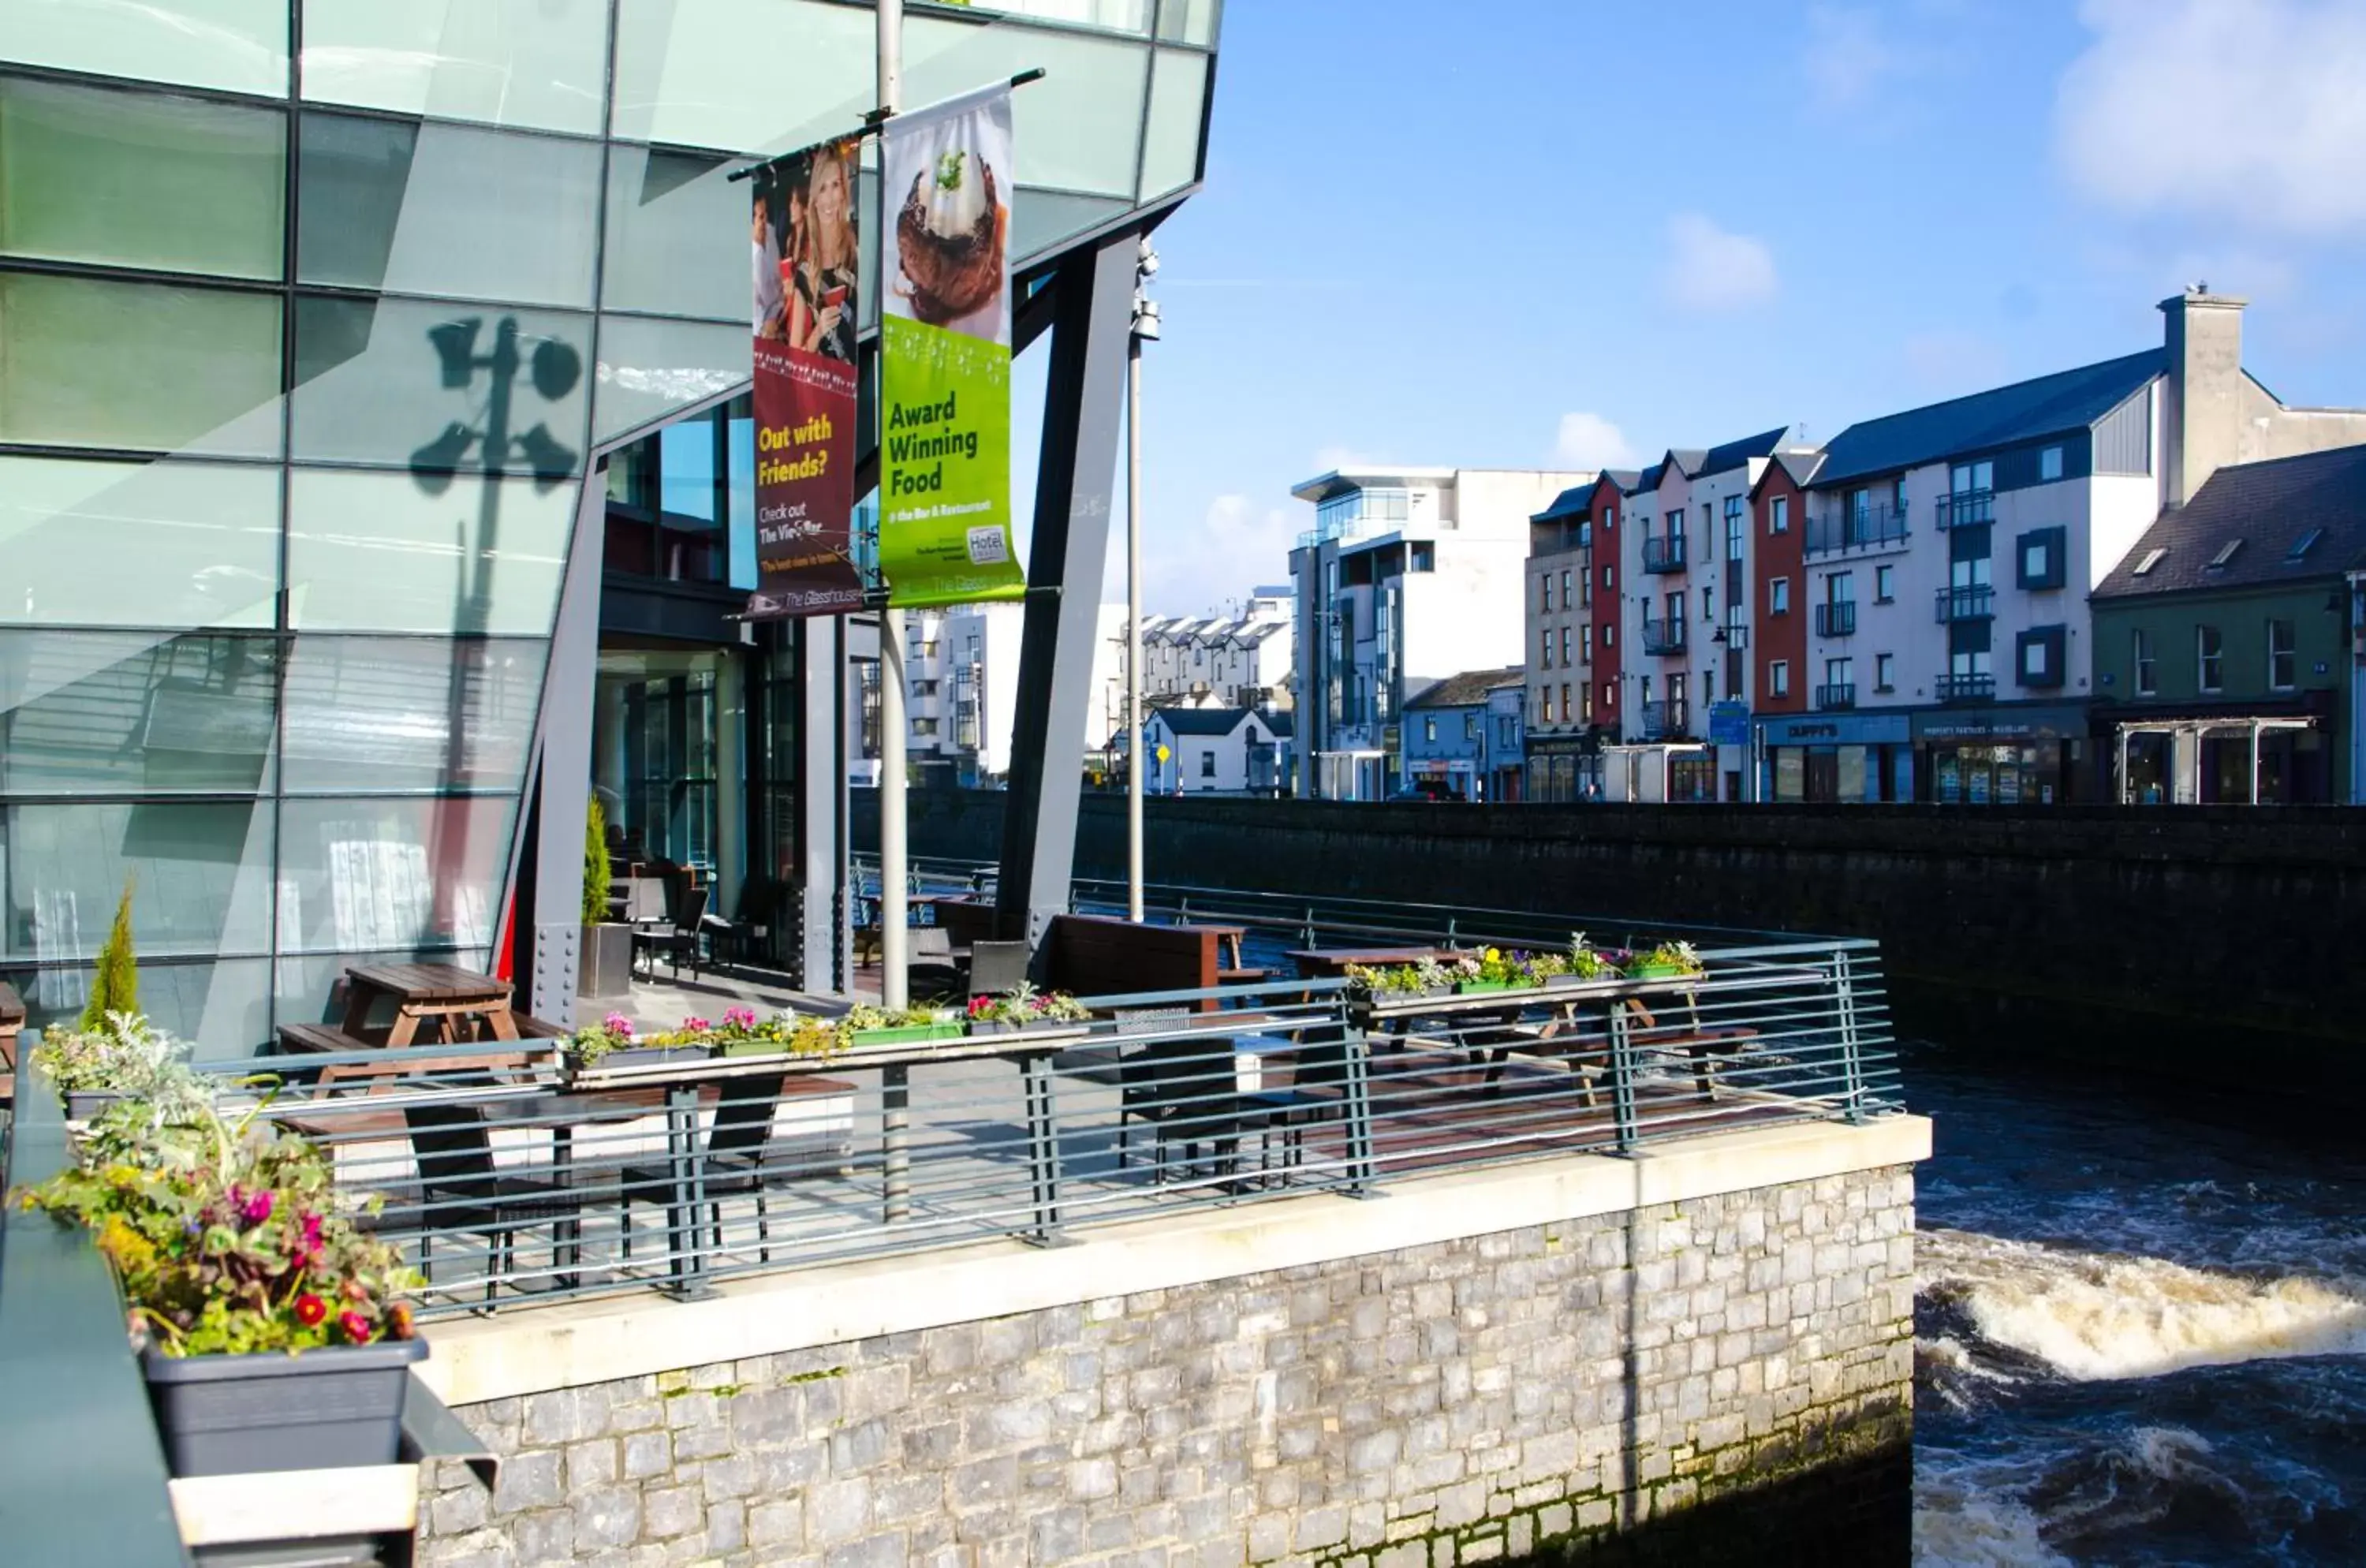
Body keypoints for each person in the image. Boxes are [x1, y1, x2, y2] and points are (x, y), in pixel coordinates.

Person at [787, 144, 857, 363]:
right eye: (822, 188)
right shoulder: (805, 271)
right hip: (835, 385)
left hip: (872, 373)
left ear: (844, 190)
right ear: (814, 197)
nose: (829, 199)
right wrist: (818, 332)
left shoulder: (858, 246)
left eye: (835, 185)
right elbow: (795, 356)